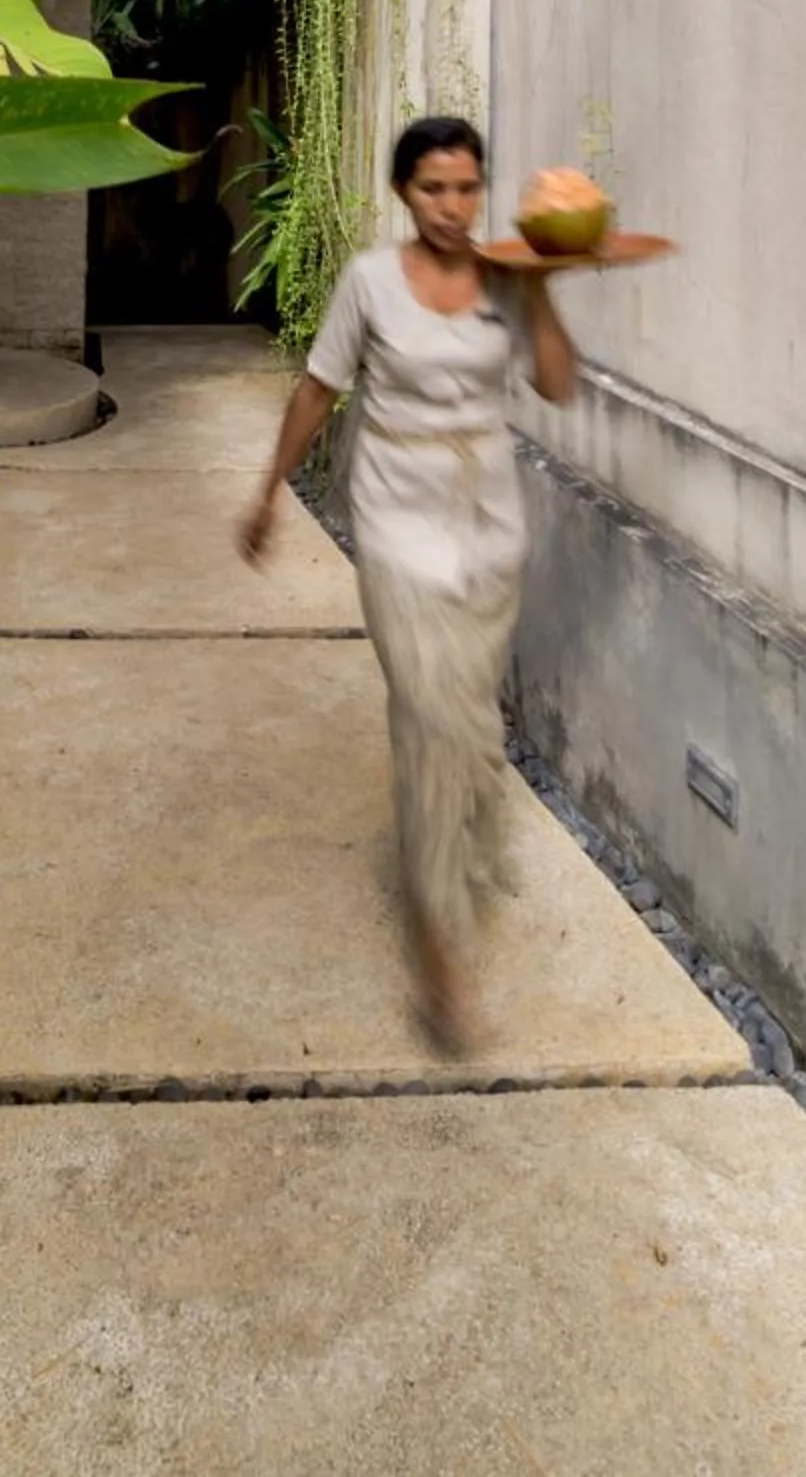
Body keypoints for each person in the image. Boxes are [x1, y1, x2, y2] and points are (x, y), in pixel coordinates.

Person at [237, 116, 580, 1053]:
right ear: (404, 193)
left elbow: (556, 386)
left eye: (468, 188)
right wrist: (269, 492)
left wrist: (543, 292)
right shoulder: (370, 284)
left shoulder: (507, 279)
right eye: (434, 189)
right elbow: (317, 388)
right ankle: (443, 968)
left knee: (468, 716)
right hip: (396, 520)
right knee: (432, 721)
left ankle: (467, 831)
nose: (453, 207)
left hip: (487, 525)